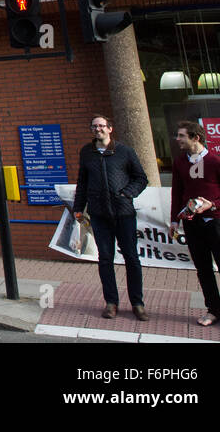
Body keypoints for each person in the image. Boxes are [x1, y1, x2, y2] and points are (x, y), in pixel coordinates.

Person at [168, 121, 220, 335]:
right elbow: (177, 193)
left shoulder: (217, 162)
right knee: (203, 270)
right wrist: (174, 220)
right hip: (191, 225)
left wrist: (213, 204)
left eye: (181, 136)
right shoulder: (179, 163)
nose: (177, 139)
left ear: (196, 138)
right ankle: (214, 311)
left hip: (216, 223)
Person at [72, 116, 148, 321]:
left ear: (110, 129)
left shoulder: (125, 152)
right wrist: (78, 208)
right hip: (99, 214)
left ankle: (137, 303)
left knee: (131, 258)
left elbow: (141, 178)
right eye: (94, 126)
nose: (98, 129)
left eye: (102, 126)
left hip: (123, 213)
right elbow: (82, 182)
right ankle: (111, 302)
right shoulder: (87, 152)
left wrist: (127, 193)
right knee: (105, 259)